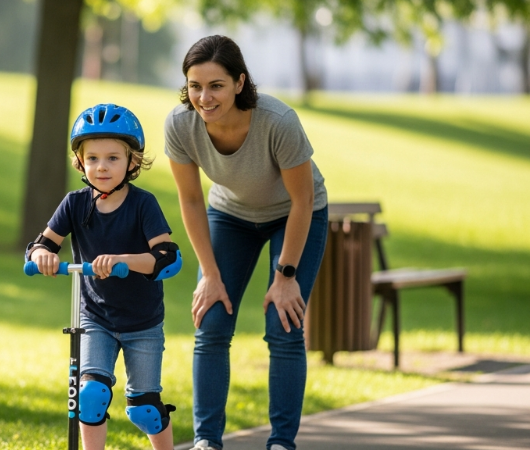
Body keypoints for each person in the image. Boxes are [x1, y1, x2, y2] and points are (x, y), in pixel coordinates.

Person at [163, 35, 329, 450]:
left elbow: (303, 199)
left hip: (293, 215)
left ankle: (281, 442)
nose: (204, 97)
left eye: (216, 85)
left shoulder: (277, 121)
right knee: (212, 320)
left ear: (239, 82)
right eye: (195, 85)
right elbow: (190, 198)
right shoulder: (180, 125)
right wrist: (210, 275)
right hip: (230, 216)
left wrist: (286, 274)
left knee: (284, 323)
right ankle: (207, 441)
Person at [26, 103, 183, 450]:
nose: (101, 166)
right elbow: (40, 245)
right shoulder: (74, 203)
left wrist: (123, 260)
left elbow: (168, 259)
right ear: (80, 161)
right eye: (93, 157)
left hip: (142, 322)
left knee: (144, 409)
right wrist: (43, 258)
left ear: (132, 162)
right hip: (94, 318)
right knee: (90, 395)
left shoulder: (144, 205)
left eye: (113, 158)